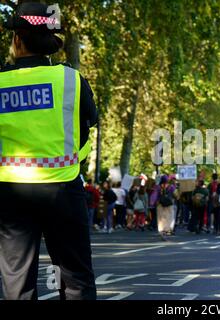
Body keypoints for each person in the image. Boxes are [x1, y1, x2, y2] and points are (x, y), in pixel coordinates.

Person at [0, 3, 98, 300]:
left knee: (17, 280)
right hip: (63, 189)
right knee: (75, 277)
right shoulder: (71, 80)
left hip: (10, 193)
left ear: (18, 39)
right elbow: (87, 126)